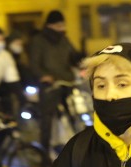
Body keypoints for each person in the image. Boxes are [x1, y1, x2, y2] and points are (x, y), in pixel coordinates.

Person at [28, 10, 84, 156]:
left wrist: (81, 58)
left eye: (63, 24)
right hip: (50, 86)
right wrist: (43, 76)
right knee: (47, 120)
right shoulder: (39, 40)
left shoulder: (64, 39)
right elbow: (34, 64)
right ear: (50, 25)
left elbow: (73, 57)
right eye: (59, 25)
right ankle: (44, 154)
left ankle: (78, 149)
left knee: (74, 116)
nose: (62, 27)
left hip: (66, 82)